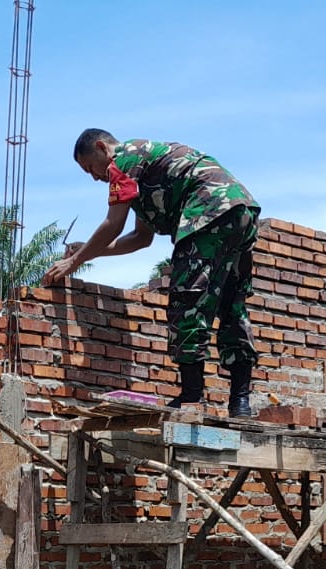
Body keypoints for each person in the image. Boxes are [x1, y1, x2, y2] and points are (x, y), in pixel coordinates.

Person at [44, 129, 262, 419]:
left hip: (208, 210)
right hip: (240, 213)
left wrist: (74, 263)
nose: (95, 177)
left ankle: (191, 398)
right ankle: (240, 404)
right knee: (231, 306)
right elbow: (139, 238)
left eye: (90, 168)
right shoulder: (143, 170)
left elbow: (113, 224)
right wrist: (89, 250)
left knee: (187, 302)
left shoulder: (122, 160)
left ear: (101, 147)